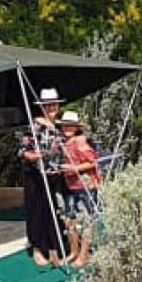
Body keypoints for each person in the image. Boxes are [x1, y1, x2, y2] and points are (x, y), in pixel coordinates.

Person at [19, 87, 69, 267]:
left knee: (56, 211)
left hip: (56, 175)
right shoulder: (35, 125)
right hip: (36, 175)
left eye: (53, 105)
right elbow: (23, 151)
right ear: (42, 107)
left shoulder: (61, 125)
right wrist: (33, 156)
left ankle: (55, 247)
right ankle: (37, 249)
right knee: (37, 211)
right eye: (47, 105)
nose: (51, 108)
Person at [56, 110, 101, 267]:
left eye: (70, 125)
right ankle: (74, 252)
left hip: (85, 186)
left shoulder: (80, 141)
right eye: (64, 125)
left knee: (87, 220)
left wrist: (73, 168)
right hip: (71, 186)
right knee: (70, 219)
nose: (67, 128)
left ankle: (83, 255)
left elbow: (92, 162)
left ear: (76, 127)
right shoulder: (64, 142)